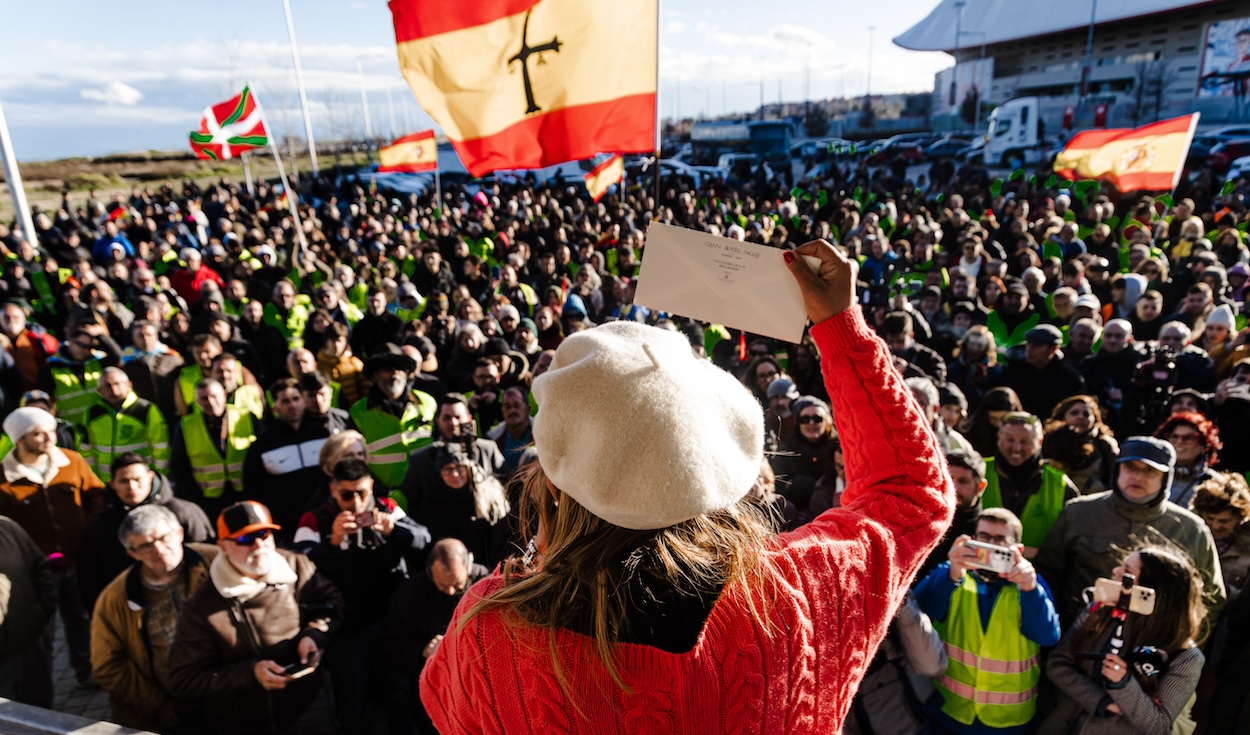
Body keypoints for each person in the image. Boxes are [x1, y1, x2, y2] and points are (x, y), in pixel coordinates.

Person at [419, 240, 954, 731]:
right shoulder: (798, 598)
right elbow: (910, 491)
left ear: (553, 485)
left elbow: (442, 698)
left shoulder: (489, 633)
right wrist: (840, 324)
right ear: (720, 469)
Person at [168, 501, 344, 735]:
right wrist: (250, 674)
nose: (259, 545)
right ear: (223, 546)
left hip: (308, 707)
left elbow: (331, 603)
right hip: (243, 722)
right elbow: (185, 680)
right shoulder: (202, 607)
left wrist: (313, 634)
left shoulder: (296, 565)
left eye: (264, 533)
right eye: (245, 539)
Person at [294, 459, 430, 735]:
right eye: (347, 495)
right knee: (351, 703)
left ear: (371, 487)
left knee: (399, 697)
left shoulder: (386, 508)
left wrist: (393, 531)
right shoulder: (315, 519)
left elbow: (424, 540)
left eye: (362, 493)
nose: (356, 503)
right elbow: (298, 566)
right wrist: (332, 542)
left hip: (390, 623)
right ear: (332, 490)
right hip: (347, 629)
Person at [1036, 437, 1226, 629]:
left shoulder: (1191, 529)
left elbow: (1210, 599)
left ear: (1166, 478)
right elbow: (1047, 575)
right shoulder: (1079, 513)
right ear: (1117, 469)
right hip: (1079, 635)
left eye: (1149, 471)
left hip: (1154, 646)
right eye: (1130, 467)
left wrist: (1179, 647)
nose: (1137, 477)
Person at [914, 507, 1061, 733]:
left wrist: (1030, 589)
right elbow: (919, 614)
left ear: (1018, 549)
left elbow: (1047, 636)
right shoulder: (951, 573)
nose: (991, 545)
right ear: (972, 540)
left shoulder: (1031, 585)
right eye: (984, 538)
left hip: (1007, 720)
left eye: (1000, 540)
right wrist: (953, 572)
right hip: (949, 711)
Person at [1040, 547, 1206, 735]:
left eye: (1127, 572)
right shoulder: (1097, 613)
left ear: (1151, 590)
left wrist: (1123, 684)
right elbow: (1057, 664)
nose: (1116, 571)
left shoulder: (1185, 658)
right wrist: (1101, 701)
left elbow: (1159, 727)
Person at [90, 505, 218, 732]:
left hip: (226, 696)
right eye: (146, 545)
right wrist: (157, 706)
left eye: (163, 537)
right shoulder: (115, 599)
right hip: (170, 713)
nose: (158, 550)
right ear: (132, 553)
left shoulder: (216, 562)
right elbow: (107, 665)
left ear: (179, 533)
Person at [0, 406, 104, 686]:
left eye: (50, 431)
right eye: (38, 434)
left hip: (77, 557)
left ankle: (86, 670)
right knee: (41, 626)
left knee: (79, 618)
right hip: (35, 570)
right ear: (19, 440)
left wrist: (88, 532)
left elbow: (96, 495)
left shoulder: (71, 461)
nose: (49, 438)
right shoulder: (4, 480)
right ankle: (40, 685)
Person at [77, 452, 214, 614]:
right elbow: (91, 583)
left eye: (137, 479)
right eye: (124, 481)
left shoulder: (184, 513)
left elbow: (208, 558)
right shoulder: (98, 530)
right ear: (112, 484)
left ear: (150, 476)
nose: (132, 487)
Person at [379, 538, 489, 733]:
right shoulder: (408, 596)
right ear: (430, 572)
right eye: (442, 585)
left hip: (479, 691)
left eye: (457, 585)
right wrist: (423, 649)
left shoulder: (487, 585)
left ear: (469, 566)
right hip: (432, 694)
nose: (449, 591)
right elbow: (389, 648)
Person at [242, 378, 331, 542]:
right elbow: (253, 490)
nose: (292, 405)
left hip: (325, 519)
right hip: (287, 528)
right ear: (275, 407)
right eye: (285, 401)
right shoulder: (262, 446)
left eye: (296, 399)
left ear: (303, 402)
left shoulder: (323, 435)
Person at [983, 412, 1078, 557]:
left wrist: (1039, 555)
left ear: (1040, 442)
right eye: (1010, 439)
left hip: (1038, 575)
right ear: (998, 438)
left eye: (1025, 441)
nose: (1016, 448)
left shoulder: (1062, 485)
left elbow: (1073, 543)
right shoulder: (978, 473)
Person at [349, 343, 437, 493]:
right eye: (387, 369)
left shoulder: (427, 402)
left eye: (400, 369)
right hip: (387, 495)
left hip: (430, 487)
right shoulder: (358, 413)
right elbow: (356, 462)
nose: (395, 374)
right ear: (375, 375)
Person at [169, 378, 259, 521]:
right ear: (197, 402)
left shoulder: (246, 417)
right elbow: (179, 467)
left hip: (247, 492)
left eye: (214, 396)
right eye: (204, 398)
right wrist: (195, 497)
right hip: (209, 499)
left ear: (224, 395)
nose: (210, 402)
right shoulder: (186, 425)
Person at [0, 516, 55, 708]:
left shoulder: (7, 527)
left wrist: (43, 612)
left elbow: (39, 567)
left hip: (28, 646)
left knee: (41, 708)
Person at [82, 366, 171, 481]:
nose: (114, 390)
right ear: (99, 390)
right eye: (108, 386)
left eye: (117, 384)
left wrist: (159, 476)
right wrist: (92, 478)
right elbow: (86, 449)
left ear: (129, 385)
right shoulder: (92, 413)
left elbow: (160, 447)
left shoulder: (145, 409)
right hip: (106, 481)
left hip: (139, 480)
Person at [995, 324, 1087, 419]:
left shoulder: (1070, 379)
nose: (1029, 349)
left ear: (1053, 349)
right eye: (1028, 343)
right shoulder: (1012, 372)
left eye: (1036, 345)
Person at [1191, 472, 1250, 604]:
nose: (1216, 526)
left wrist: (1226, 591)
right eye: (1210, 519)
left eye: (1224, 521)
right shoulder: (1189, 535)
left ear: (1241, 518)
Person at [1153, 411, 1223, 508]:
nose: (1180, 442)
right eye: (1174, 437)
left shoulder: (1214, 482)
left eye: (1188, 438)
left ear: (1203, 445)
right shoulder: (1152, 472)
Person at [486, 385, 533, 476]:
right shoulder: (492, 439)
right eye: (507, 406)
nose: (512, 410)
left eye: (517, 405)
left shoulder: (542, 436)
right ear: (502, 410)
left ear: (528, 409)